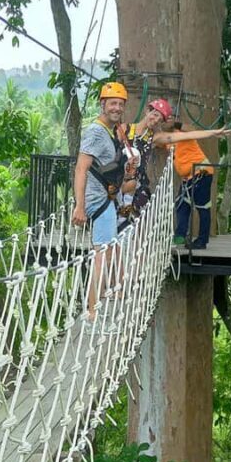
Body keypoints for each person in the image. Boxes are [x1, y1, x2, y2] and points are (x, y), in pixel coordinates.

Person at [71, 81, 138, 320]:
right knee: (100, 253)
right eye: (112, 103)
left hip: (107, 198)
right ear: (102, 104)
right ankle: (92, 311)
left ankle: (113, 292)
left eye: (120, 104)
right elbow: (81, 168)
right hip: (98, 200)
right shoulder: (96, 131)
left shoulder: (111, 131)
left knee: (108, 249)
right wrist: (80, 206)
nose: (117, 108)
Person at [156, 112, 231, 249]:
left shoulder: (183, 132)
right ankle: (180, 236)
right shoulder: (167, 138)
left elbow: (192, 129)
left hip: (201, 172)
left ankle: (202, 241)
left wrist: (175, 124)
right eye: (164, 119)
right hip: (189, 177)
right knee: (182, 205)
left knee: (202, 207)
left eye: (169, 118)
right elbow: (156, 142)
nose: (167, 121)